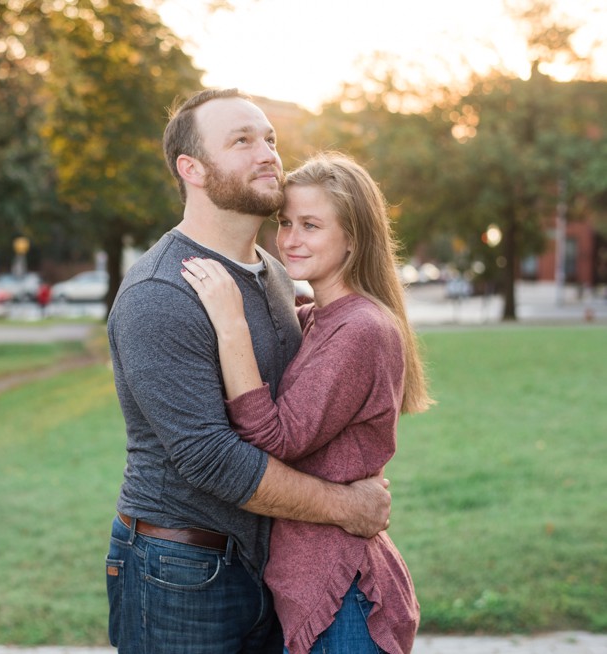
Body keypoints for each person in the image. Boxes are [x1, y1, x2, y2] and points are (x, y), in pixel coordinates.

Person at [106, 88, 393, 654]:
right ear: (192, 169)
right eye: (242, 141)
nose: (267, 153)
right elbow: (210, 458)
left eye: (270, 139)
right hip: (180, 568)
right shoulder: (162, 292)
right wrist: (346, 506)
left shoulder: (273, 272)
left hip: (266, 560)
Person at [180, 151, 434, 654]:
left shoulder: (361, 329)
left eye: (312, 225)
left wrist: (231, 324)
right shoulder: (320, 316)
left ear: (354, 238)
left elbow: (277, 438)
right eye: (285, 222)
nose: (291, 239)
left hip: (343, 595)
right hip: (317, 590)